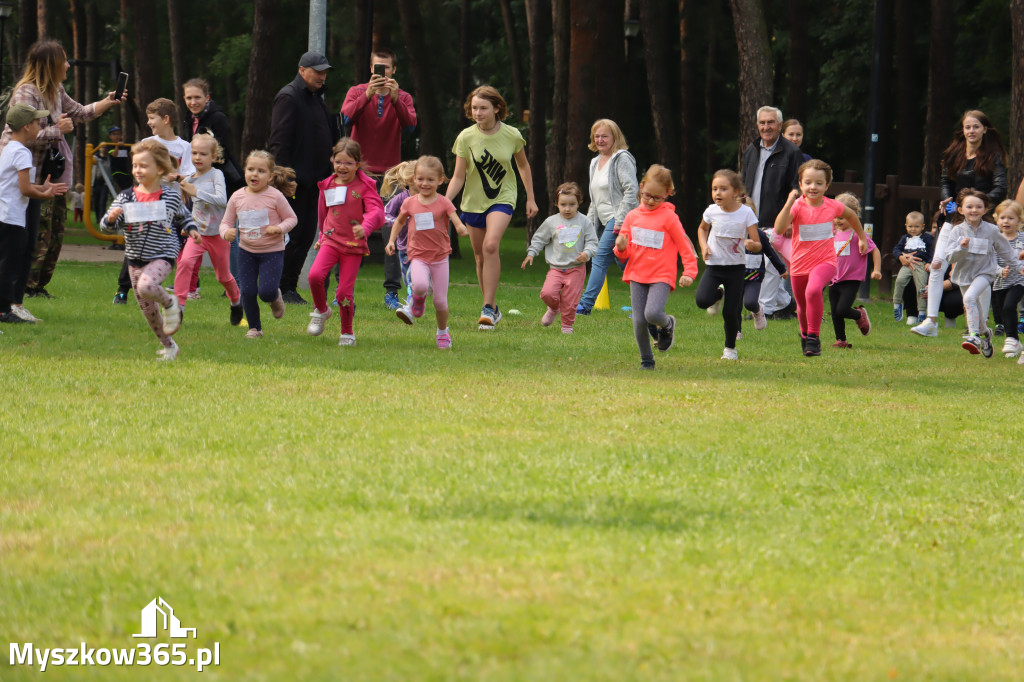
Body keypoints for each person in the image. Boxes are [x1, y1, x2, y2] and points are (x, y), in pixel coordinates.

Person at [0, 39, 123, 302]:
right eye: (64, 60)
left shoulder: (55, 90)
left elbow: (80, 112)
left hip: (40, 175)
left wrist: (108, 101)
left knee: (37, 237)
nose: (68, 65)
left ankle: (20, 297)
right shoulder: (26, 93)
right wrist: (58, 131)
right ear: (50, 64)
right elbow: (17, 136)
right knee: (19, 241)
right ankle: (15, 297)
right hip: (19, 177)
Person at [445, 85, 538, 330]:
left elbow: (524, 167)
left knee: (491, 245)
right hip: (473, 202)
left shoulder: (512, 135)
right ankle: (493, 308)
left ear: (497, 108)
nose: (478, 112)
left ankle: (487, 307)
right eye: (474, 108)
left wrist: (530, 198)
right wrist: (444, 202)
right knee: (479, 257)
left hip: (503, 199)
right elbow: (458, 176)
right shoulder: (465, 137)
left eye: (483, 108)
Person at [100, 140, 200, 361]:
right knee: (149, 312)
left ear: (160, 169)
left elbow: (183, 216)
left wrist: (191, 230)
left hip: (163, 254)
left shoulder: (169, 196)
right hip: (135, 259)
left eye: (143, 166)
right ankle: (170, 346)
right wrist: (111, 218)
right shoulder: (126, 197)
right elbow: (106, 226)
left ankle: (170, 302)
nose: (138, 170)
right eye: (135, 165)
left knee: (147, 287)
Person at [913, 110, 1008, 337]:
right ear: (963, 130)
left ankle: (981, 324)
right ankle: (931, 321)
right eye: (968, 127)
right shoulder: (954, 153)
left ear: (985, 129)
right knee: (937, 264)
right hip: (953, 218)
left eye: (976, 127)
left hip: (980, 222)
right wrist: (949, 200)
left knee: (980, 271)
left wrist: (978, 207)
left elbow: (1000, 188)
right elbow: (946, 180)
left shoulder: (993, 156)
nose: (972, 131)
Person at [341, 48, 417, 310]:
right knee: (349, 228)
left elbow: (410, 127)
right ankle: (343, 290)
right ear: (370, 69)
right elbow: (346, 118)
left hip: (391, 176)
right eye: (376, 68)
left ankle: (391, 293)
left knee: (392, 233)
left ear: (394, 70)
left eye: (386, 68)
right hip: (358, 172)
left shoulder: (403, 96)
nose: (381, 73)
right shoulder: (356, 91)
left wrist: (395, 100)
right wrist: (368, 95)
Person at [774, 159, 868, 357]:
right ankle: (805, 334)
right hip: (799, 264)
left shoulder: (832, 206)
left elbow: (852, 216)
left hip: (825, 262)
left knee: (813, 290)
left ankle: (814, 338)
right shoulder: (797, 207)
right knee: (801, 304)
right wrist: (789, 202)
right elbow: (780, 229)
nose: (813, 187)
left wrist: (861, 237)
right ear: (800, 184)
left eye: (818, 183)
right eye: (808, 182)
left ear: (827, 185)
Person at [612, 165, 698, 370]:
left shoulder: (669, 218)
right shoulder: (632, 216)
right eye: (647, 195)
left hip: (661, 275)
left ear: (667, 194)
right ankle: (647, 360)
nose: (651, 200)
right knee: (639, 320)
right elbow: (623, 251)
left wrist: (689, 272)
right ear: (641, 187)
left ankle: (667, 324)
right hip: (636, 273)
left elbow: (685, 246)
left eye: (657, 198)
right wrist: (620, 248)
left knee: (652, 313)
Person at [268, 51, 337, 306]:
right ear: (301, 70)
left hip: (315, 182)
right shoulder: (289, 96)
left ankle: (289, 286)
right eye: (317, 71)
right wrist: (283, 178)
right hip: (295, 182)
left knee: (307, 234)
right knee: (294, 235)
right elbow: (279, 141)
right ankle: (280, 286)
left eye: (324, 71)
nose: (322, 76)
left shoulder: (314, 97)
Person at [305, 138, 384, 347]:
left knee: (343, 293)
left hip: (353, 247)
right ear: (332, 161)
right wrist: (321, 235)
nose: (342, 167)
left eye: (348, 163)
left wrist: (364, 228)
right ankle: (321, 311)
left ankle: (347, 333)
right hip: (330, 241)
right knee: (314, 276)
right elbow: (323, 212)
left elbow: (376, 212)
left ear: (357, 164)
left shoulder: (365, 185)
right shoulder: (328, 184)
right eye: (338, 162)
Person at [386, 156, 468, 348]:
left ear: (440, 181)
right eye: (420, 179)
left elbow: (454, 217)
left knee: (440, 301)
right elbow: (398, 221)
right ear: (414, 179)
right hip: (417, 255)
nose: (425, 183)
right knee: (420, 285)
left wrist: (460, 227)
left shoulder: (443, 202)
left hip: (440, 257)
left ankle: (442, 332)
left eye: (430, 180)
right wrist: (391, 241)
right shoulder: (410, 203)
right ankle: (418, 301)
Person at [0, 104, 67, 325]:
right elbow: (24, 190)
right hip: (13, 218)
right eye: (38, 122)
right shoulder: (22, 152)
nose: (41, 125)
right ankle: (4, 311)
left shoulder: (10, 148)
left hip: (6, 215)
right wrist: (45, 195)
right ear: (27, 126)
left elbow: (23, 185)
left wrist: (43, 188)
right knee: (10, 266)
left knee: (9, 263)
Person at [219, 150, 298, 339]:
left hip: (272, 252)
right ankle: (255, 328)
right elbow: (225, 223)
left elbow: (292, 218)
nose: (254, 174)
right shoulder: (237, 197)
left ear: (270, 176)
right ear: (245, 171)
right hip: (246, 251)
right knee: (247, 290)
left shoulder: (275, 196)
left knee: (266, 291)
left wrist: (279, 228)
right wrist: (225, 232)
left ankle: (275, 298)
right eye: (250, 169)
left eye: (261, 171)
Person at [741, 106, 804, 319]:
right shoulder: (751, 149)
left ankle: (764, 310)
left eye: (770, 122)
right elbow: (743, 185)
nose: (766, 127)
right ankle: (786, 304)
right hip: (750, 219)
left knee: (770, 265)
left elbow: (797, 189)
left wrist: (790, 220)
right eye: (762, 123)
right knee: (755, 264)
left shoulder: (792, 152)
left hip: (776, 221)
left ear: (779, 125)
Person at [172, 133, 242, 324]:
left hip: (218, 235)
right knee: (185, 262)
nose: (197, 158)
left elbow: (222, 201)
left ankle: (236, 302)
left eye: (203, 154)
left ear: (213, 157)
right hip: (198, 235)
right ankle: (178, 307)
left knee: (223, 276)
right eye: (194, 153)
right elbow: (188, 205)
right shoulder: (189, 180)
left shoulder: (216, 175)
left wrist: (197, 192)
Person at [944, 189, 1022, 357]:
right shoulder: (957, 231)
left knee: (969, 298)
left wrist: (1018, 267)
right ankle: (984, 334)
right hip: (964, 276)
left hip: (985, 274)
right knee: (976, 315)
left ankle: (973, 337)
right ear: (961, 210)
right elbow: (949, 257)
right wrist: (961, 247)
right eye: (969, 206)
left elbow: (1006, 251)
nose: (974, 210)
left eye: (979, 207)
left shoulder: (992, 230)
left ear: (985, 210)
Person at [694, 169, 760, 360]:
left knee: (731, 312)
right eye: (714, 189)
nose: (717, 193)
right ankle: (717, 295)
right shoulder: (711, 211)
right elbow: (702, 228)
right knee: (702, 301)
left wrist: (751, 244)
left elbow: (757, 244)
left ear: (735, 192)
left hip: (736, 269)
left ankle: (730, 349)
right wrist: (703, 245)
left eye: (723, 189)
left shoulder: (746, 213)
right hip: (714, 266)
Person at [575, 119, 638, 316]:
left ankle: (585, 305)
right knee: (624, 262)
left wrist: (620, 221)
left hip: (619, 217)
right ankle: (646, 295)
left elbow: (631, 190)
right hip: (601, 219)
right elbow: (595, 200)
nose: (600, 140)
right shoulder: (595, 162)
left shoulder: (621, 158)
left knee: (599, 258)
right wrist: (587, 224)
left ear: (614, 137)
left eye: (605, 136)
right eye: (597, 136)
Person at [522, 182, 598, 334]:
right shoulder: (551, 222)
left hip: (576, 269)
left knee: (570, 301)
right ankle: (554, 308)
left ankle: (567, 326)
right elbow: (539, 239)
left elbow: (592, 242)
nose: (567, 208)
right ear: (556, 204)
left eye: (572, 204)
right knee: (547, 293)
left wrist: (587, 253)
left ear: (579, 203)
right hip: (556, 268)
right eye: (563, 204)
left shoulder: (585, 222)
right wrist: (531, 253)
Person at [828, 193, 880, 348]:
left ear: (853, 216)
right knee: (835, 313)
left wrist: (876, 269)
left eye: (842, 217)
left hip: (851, 279)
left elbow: (875, 250)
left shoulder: (858, 235)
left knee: (842, 309)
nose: (838, 221)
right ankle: (841, 340)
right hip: (833, 278)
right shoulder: (833, 233)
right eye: (836, 217)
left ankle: (859, 314)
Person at [990, 200, 1024, 356]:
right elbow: (990, 263)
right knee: (1005, 313)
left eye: (1011, 218)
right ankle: (1015, 342)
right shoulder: (995, 240)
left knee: (1009, 306)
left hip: (1019, 281)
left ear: (1019, 220)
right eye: (1002, 217)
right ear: (997, 220)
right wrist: (999, 271)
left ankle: (1011, 339)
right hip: (1000, 283)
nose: (1006, 221)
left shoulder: (1022, 239)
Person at [380, 161, 416, 301]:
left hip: (424, 246)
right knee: (408, 277)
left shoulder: (429, 198)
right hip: (404, 246)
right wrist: (398, 222)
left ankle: (411, 302)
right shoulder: (401, 198)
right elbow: (386, 214)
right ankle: (412, 297)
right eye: (420, 178)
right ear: (410, 181)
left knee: (417, 276)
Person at [892, 211, 934, 325]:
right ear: (906, 226)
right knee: (900, 281)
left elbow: (932, 251)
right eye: (910, 226)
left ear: (923, 227)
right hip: (907, 264)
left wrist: (929, 262)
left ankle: (921, 311)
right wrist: (900, 257)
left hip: (920, 265)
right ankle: (897, 304)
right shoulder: (905, 238)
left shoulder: (927, 238)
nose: (913, 229)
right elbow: (896, 250)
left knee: (921, 287)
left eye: (916, 227)